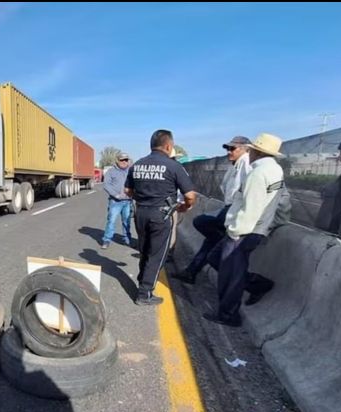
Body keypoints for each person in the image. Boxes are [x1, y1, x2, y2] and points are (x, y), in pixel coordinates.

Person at [204, 133, 286, 326]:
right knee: (224, 265)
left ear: (256, 151)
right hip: (254, 230)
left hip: (242, 232)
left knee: (230, 276)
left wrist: (234, 231)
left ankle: (228, 315)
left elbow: (251, 207)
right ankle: (257, 285)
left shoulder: (258, 173)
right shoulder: (274, 170)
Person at [125, 130, 196, 305]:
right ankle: (144, 293)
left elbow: (127, 191)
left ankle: (143, 279)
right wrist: (184, 207)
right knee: (157, 254)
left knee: (145, 250)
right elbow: (191, 195)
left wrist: (143, 200)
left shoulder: (137, 165)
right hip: (161, 214)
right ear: (168, 146)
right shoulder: (174, 166)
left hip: (140, 213)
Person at [173, 136, 252, 283]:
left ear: (245, 148)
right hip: (229, 209)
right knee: (210, 239)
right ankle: (191, 272)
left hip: (235, 212)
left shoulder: (247, 164)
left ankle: (256, 283)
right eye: (228, 148)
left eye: (232, 148)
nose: (229, 152)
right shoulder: (236, 165)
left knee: (201, 223)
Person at [101, 153, 133, 249]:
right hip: (115, 201)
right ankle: (106, 240)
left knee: (127, 221)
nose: (124, 162)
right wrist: (116, 195)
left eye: (126, 160)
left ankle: (127, 239)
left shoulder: (131, 171)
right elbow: (106, 185)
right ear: (117, 161)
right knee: (111, 221)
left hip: (128, 201)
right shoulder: (111, 171)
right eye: (122, 160)